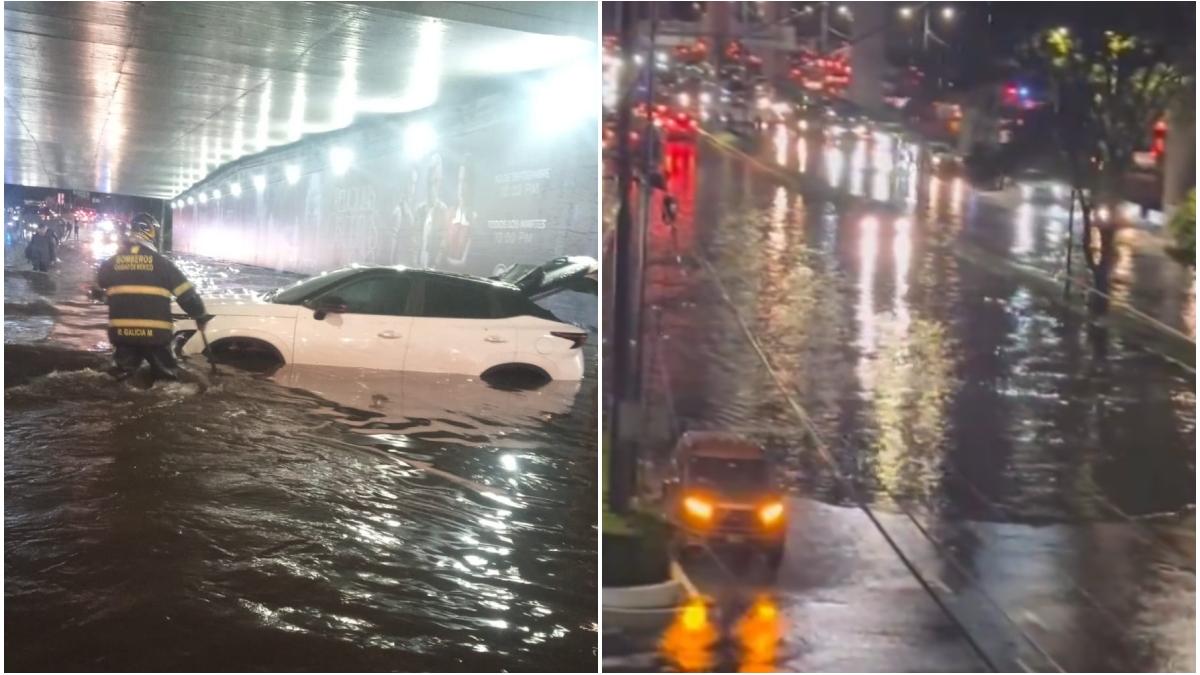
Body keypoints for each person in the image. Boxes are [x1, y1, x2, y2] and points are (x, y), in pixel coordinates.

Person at [95, 213, 212, 382]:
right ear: (150, 232)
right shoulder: (163, 265)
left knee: (120, 378)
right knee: (167, 381)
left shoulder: (110, 264)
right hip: (155, 335)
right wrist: (200, 316)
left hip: (122, 334)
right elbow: (187, 295)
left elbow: (99, 287)